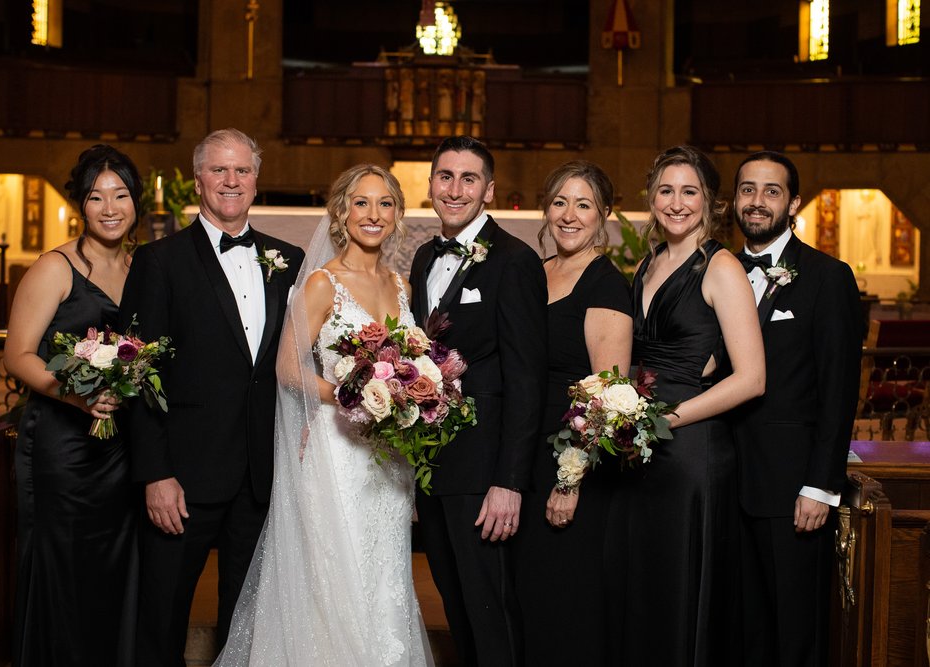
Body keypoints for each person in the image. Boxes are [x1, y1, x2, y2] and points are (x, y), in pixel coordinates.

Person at [214, 164, 432, 666]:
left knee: (383, 576)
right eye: (361, 202)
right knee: (333, 575)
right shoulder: (321, 282)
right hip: (337, 454)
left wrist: (406, 399)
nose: (373, 214)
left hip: (387, 458)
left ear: (397, 213)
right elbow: (288, 369)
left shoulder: (400, 285)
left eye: (384, 203)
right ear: (340, 212)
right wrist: (360, 395)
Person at [119, 128, 305, 667]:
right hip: (183, 478)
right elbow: (139, 374)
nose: (231, 181)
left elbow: (292, 367)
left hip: (260, 477)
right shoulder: (159, 261)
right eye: (219, 170)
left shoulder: (287, 259)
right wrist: (155, 473)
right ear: (198, 179)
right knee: (162, 617)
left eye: (242, 170)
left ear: (256, 179)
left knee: (246, 622)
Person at [609, 145, 766, 665]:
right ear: (652, 198)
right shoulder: (649, 262)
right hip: (642, 445)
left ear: (711, 201)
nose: (676, 203)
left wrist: (665, 419)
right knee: (646, 580)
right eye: (666, 190)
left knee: (683, 582)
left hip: (691, 447)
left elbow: (751, 379)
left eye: (689, 191)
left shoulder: (721, 267)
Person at [409, 136, 547, 666]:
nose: (455, 188)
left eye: (469, 179)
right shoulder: (424, 257)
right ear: (431, 185)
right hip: (435, 462)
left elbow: (526, 379)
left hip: (485, 467)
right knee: (456, 602)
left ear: (488, 190)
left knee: (491, 607)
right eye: (445, 176)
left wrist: (508, 481)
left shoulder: (514, 261)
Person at [5, 144, 142, 667]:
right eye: (96, 197)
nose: (110, 208)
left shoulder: (140, 268)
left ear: (135, 203)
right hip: (63, 447)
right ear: (79, 206)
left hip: (120, 449)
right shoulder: (54, 268)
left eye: (121, 195)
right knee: (64, 565)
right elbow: (16, 356)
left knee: (115, 568)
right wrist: (77, 394)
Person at [731, 151, 861, 667]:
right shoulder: (717, 270)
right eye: (747, 189)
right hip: (725, 480)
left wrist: (821, 485)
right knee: (741, 625)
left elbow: (839, 388)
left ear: (794, 202)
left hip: (792, 486)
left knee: (794, 628)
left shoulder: (828, 277)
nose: (757, 202)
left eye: (771, 191)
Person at [512, 161, 632, 665]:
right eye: (560, 201)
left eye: (583, 204)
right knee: (527, 597)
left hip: (568, 461)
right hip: (523, 458)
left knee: (567, 599)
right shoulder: (533, 273)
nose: (569, 214)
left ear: (603, 214)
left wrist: (570, 482)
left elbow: (606, 397)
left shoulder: (605, 285)